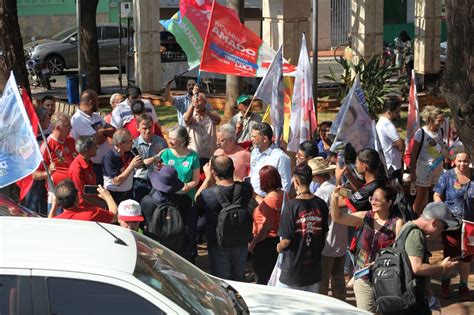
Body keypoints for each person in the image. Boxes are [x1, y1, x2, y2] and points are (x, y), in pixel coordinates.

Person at [330, 185, 403, 312]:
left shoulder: (396, 223)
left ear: (389, 203)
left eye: (377, 200)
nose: (373, 202)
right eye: (371, 199)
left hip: (385, 279)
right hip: (363, 278)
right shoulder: (366, 217)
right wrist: (334, 199)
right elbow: (338, 218)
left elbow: (399, 251)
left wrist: (379, 261)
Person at [196, 156, 253, 281]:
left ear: (214, 172)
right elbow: (242, 184)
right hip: (241, 241)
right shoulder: (246, 189)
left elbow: (197, 200)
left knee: (221, 283)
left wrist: (207, 179)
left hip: (218, 244)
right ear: (233, 169)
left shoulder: (208, 194)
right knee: (238, 281)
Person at [397, 202, 460, 313]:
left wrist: (428, 292)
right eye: (444, 226)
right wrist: (442, 267)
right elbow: (417, 268)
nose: (443, 231)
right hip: (410, 300)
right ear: (434, 222)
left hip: (407, 295)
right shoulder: (415, 234)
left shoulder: (408, 227)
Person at [276, 164, 329, 292]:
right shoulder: (320, 204)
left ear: (297, 181)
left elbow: (286, 241)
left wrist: (278, 247)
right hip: (314, 269)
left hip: (293, 270)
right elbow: (324, 233)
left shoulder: (290, 206)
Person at [433, 151, 473, 300]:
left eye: (466, 161)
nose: (463, 164)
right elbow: (437, 194)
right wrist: (440, 207)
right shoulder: (447, 176)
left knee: (467, 255)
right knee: (451, 254)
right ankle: (445, 282)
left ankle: (463, 285)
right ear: (454, 161)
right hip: (451, 222)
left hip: (471, 224)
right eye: (460, 161)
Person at [309, 157, 346, 301]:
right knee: (338, 278)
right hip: (341, 239)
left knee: (322, 282)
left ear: (316, 176)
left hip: (327, 242)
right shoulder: (339, 187)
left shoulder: (322, 192)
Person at [141, 166, 194, 259]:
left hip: (155, 247)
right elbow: (190, 226)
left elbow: (143, 225)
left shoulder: (147, 201)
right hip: (179, 247)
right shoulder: (185, 201)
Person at [248, 165, 284, 285]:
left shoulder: (270, 199)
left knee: (263, 279)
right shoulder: (283, 194)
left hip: (265, 243)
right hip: (276, 240)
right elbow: (267, 204)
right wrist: (254, 195)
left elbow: (267, 227)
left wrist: (254, 243)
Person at [411, 106, 450, 215]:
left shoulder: (440, 131)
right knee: (421, 196)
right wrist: (412, 171)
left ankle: (431, 217)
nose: (441, 123)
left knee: (436, 194)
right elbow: (414, 153)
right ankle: (415, 220)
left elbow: (441, 145)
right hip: (424, 168)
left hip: (438, 167)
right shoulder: (421, 133)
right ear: (431, 119)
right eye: (439, 120)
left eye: (442, 120)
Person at [71, 90, 115, 186]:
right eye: (97, 101)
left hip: (104, 163)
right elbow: (95, 140)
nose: (99, 104)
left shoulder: (96, 116)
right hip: (93, 166)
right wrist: (103, 133)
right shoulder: (78, 119)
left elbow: (113, 130)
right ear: (91, 102)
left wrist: (101, 131)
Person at [336, 148, 387, 212]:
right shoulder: (378, 181)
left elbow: (339, 203)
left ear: (364, 166)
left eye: (357, 163)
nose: (356, 166)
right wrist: (348, 174)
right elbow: (357, 193)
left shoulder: (367, 190)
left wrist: (338, 179)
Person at [132, 114, 168, 203]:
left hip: (157, 182)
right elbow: (139, 164)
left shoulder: (161, 142)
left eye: (150, 127)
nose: (148, 131)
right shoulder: (134, 144)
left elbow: (166, 161)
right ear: (138, 128)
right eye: (144, 128)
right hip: (140, 182)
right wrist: (156, 157)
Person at [250, 122, 292, 197]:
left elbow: (285, 185)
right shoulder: (254, 152)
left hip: (268, 200)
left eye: (254, 137)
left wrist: (274, 201)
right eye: (251, 136)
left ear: (265, 139)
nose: (251, 139)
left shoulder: (280, 157)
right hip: (252, 197)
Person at [102, 129, 143, 204]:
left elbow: (138, 166)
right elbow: (117, 181)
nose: (132, 143)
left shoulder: (129, 152)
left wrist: (154, 159)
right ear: (120, 144)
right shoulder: (109, 158)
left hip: (128, 193)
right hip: (114, 196)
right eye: (129, 141)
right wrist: (131, 166)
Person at [160, 125, 200, 200]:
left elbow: (195, 180)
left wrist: (187, 186)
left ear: (182, 141)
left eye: (172, 139)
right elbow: (161, 176)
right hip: (169, 196)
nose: (169, 141)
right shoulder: (166, 154)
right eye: (169, 138)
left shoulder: (193, 156)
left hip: (187, 197)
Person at [53, 179, 118, 223]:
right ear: (77, 198)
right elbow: (114, 216)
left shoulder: (56, 222)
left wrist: (54, 206)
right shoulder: (93, 213)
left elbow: (49, 222)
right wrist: (108, 197)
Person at [184, 91, 221, 161]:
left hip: (210, 155)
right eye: (194, 101)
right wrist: (193, 104)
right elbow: (186, 119)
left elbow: (218, 120)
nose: (196, 103)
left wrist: (205, 110)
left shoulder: (212, 115)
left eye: (198, 100)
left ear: (205, 102)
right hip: (194, 156)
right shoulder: (189, 115)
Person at [68, 135, 103, 207]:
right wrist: (101, 204)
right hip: (84, 208)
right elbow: (81, 196)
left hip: (92, 204)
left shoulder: (88, 163)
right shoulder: (77, 169)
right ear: (87, 149)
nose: (97, 147)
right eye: (94, 146)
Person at [376, 98, 405, 185]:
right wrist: (402, 144)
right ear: (389, 112)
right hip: (393, 166)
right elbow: (401, 146)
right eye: (396, 112)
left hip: (387, 164)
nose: (398, 114)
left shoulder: (380, 123)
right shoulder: (388, 125)